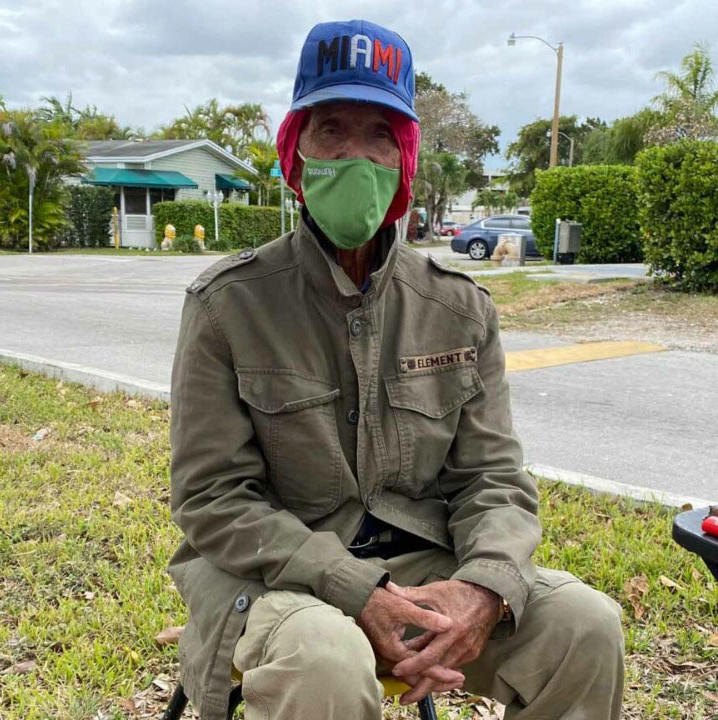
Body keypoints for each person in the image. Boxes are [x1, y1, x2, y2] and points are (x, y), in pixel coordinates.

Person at [167, 19, 624, 720]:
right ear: (298, 154)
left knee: (584, 628)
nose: (356, 154)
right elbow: (212, 499)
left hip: (418, 569)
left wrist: (484, 587)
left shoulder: (459, 308)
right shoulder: (227, 306)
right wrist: (354, 589)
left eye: (380, 133)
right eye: (332, 131)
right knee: (324, 659)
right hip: (272, 576)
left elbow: (493, 479)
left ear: (404, 157)